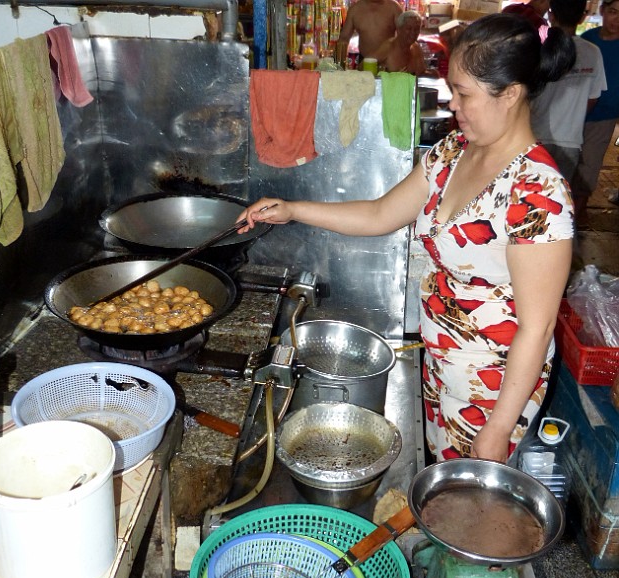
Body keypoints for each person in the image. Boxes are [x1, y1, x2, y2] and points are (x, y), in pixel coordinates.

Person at [238, 14, 576, 463]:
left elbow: (538, 328)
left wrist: (497, 429)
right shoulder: (453, 152)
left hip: (492, 390)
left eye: (463, 94)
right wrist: (293, 209)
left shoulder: (538, 193)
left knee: (467, 510)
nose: (452, 104)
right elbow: (381, 213)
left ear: (510, 94)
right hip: (440, 367)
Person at [530, 0, 607, 184]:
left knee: (530, 195)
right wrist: (575, 114)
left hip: (534, 135)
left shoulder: (538, 47)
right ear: (582, 17)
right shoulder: (593, 52)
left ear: (551, 15)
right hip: (570, 140)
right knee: (558, 198)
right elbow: (593, 97)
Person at [570, 0, 619, 221]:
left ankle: (578, 215)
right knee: (570, 162)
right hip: (576, 113)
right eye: (613, 12)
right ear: (602, 11)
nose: (617, 20)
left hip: (605, 116)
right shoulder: (587, 40)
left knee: (590, 164)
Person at [335, 0, 403, 65]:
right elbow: (343, 39)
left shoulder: (394, 8)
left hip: (389, 62)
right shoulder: (355, 9)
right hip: (364, 62)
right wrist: (339, 64)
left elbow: (404, 37)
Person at [373, 11, 428, 75]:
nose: (413, 32)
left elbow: (422, 73)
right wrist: (390, 77)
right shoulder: (388, 47)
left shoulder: (416, 48)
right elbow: (362, 67)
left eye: (416, 29)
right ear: (399, 30)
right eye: (409, 28)